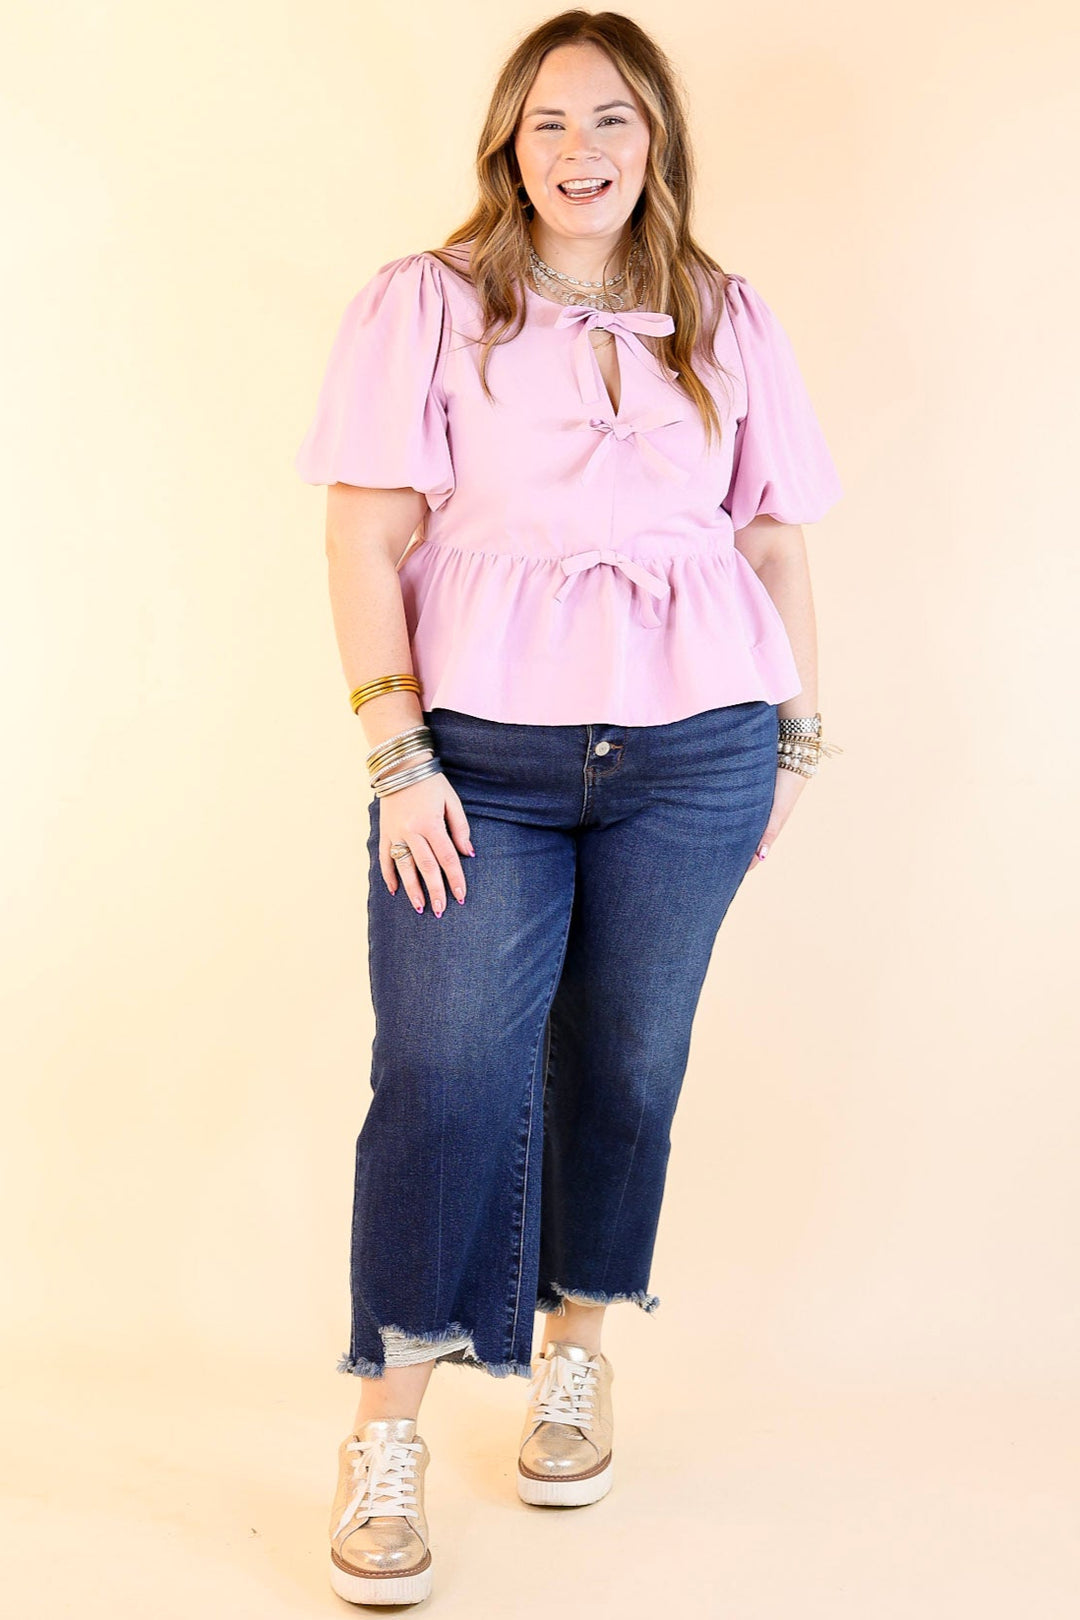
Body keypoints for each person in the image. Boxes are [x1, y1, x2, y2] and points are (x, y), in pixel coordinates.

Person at [294, 8, 843, 1606]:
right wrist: (396, 754)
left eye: (613, 121)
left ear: (654, 138)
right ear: (506, 143)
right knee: (446, 1067)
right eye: (549, 124)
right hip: (483, 764)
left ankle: (578, 1347)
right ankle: (385, 1422)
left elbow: (778, 543)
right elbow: (360, 536)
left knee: (628, 1058)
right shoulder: (429, 306)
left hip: (696, 754)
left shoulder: (724, 319)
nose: (582, 152)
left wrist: (799, 738)